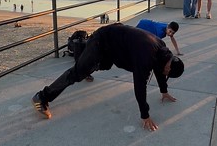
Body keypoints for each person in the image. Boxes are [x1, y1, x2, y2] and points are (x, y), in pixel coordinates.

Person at [32, 23, 184, 131]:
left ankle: (86, 62)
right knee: (76, 74)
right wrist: (145, 115)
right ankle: (42, 97)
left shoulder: (163, 53)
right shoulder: (146, 55)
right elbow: (140, 84)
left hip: (113, 46)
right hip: (102, 40)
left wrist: (163, 91)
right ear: (169, 66)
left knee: (100, 65)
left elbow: (159, 70)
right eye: (167, 74)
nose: (164, 75)